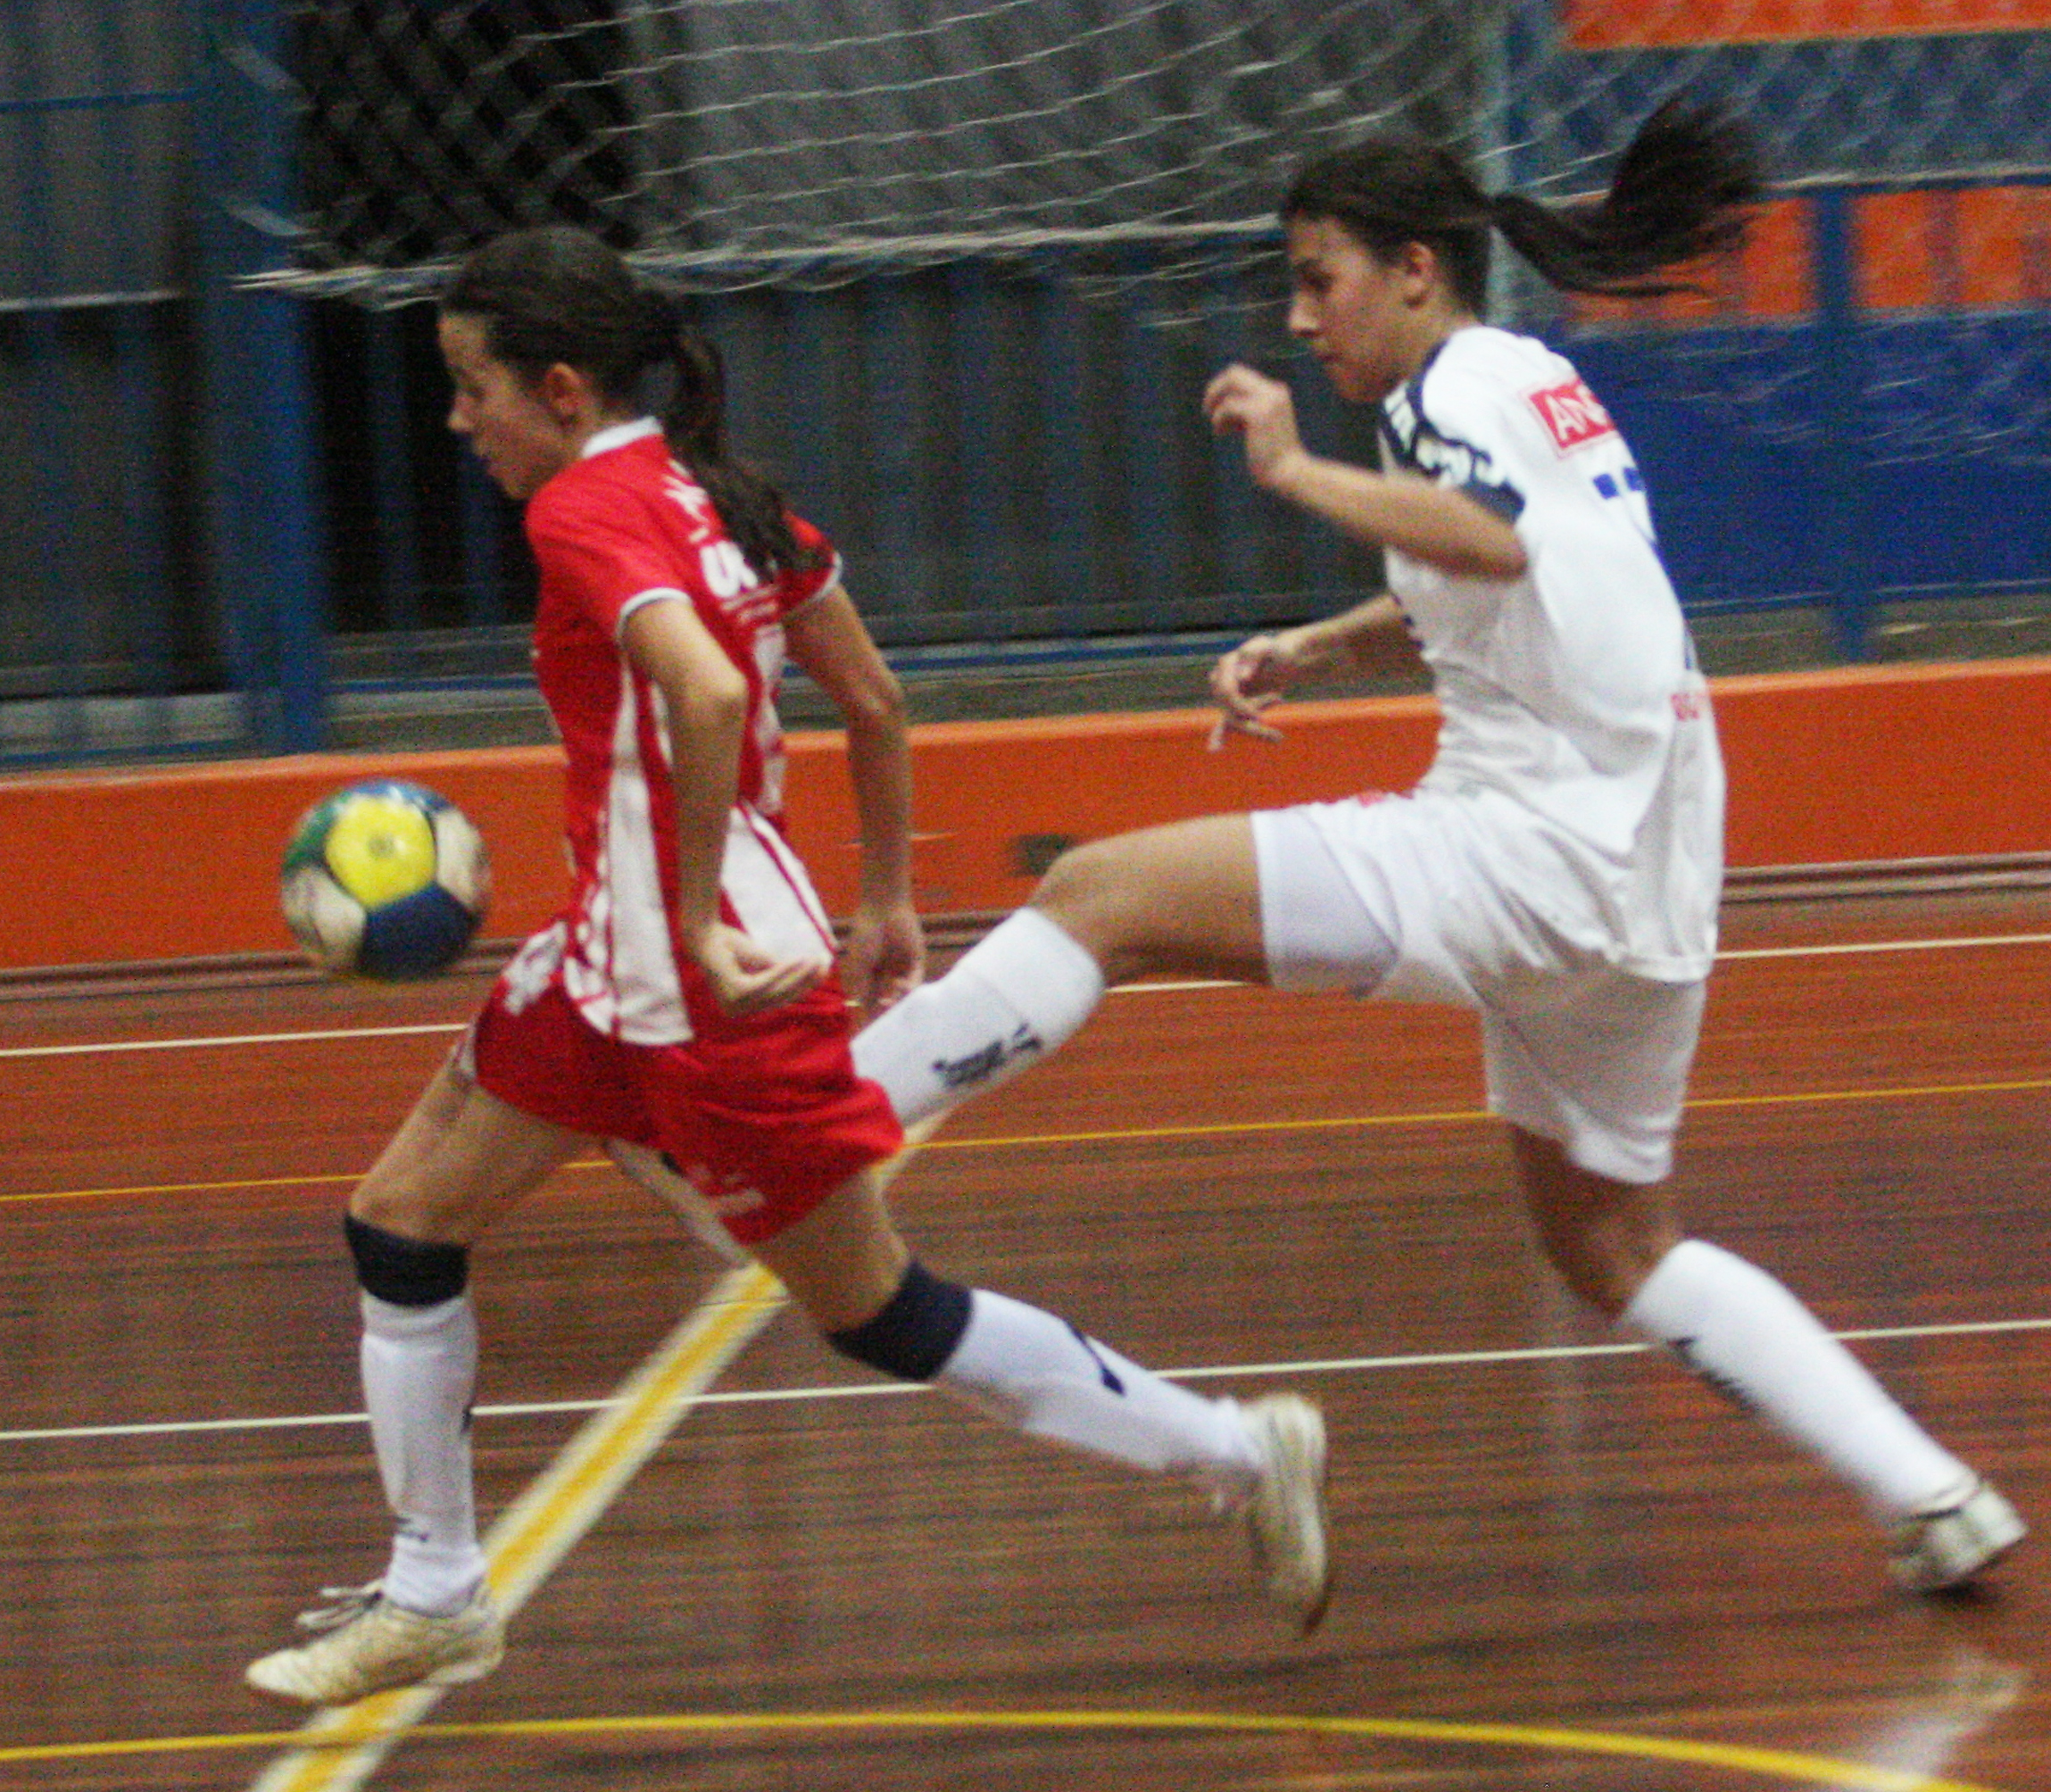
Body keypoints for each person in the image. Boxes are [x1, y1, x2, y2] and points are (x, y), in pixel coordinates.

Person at [848, 104, 2024, 1596]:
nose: (1297, 316)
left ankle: (814, 1125)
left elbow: (1489, 544)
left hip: (1530, 847)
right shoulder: (1533, 383)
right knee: (1610, 1249)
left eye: (1313, 277)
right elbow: (1489, 583)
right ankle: (1929, 1495)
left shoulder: (1456, 389)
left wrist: (1287, 469)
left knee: (1101, 896)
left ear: (1413, 270)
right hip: (1645, 873)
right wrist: (1312, 645)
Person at [245, 227, 1328, 1710]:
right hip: (610, 965)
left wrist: (690, 916)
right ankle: (436, 1591)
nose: (455, 420)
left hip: (702, 988)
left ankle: (1233, 1449)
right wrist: (881, 894)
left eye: (466, 386)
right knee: (399, 1223)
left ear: (558, 390)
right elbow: (873, 701)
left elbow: (697, 685)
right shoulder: (719, 496)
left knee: (880, 1316)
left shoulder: (582, 512)